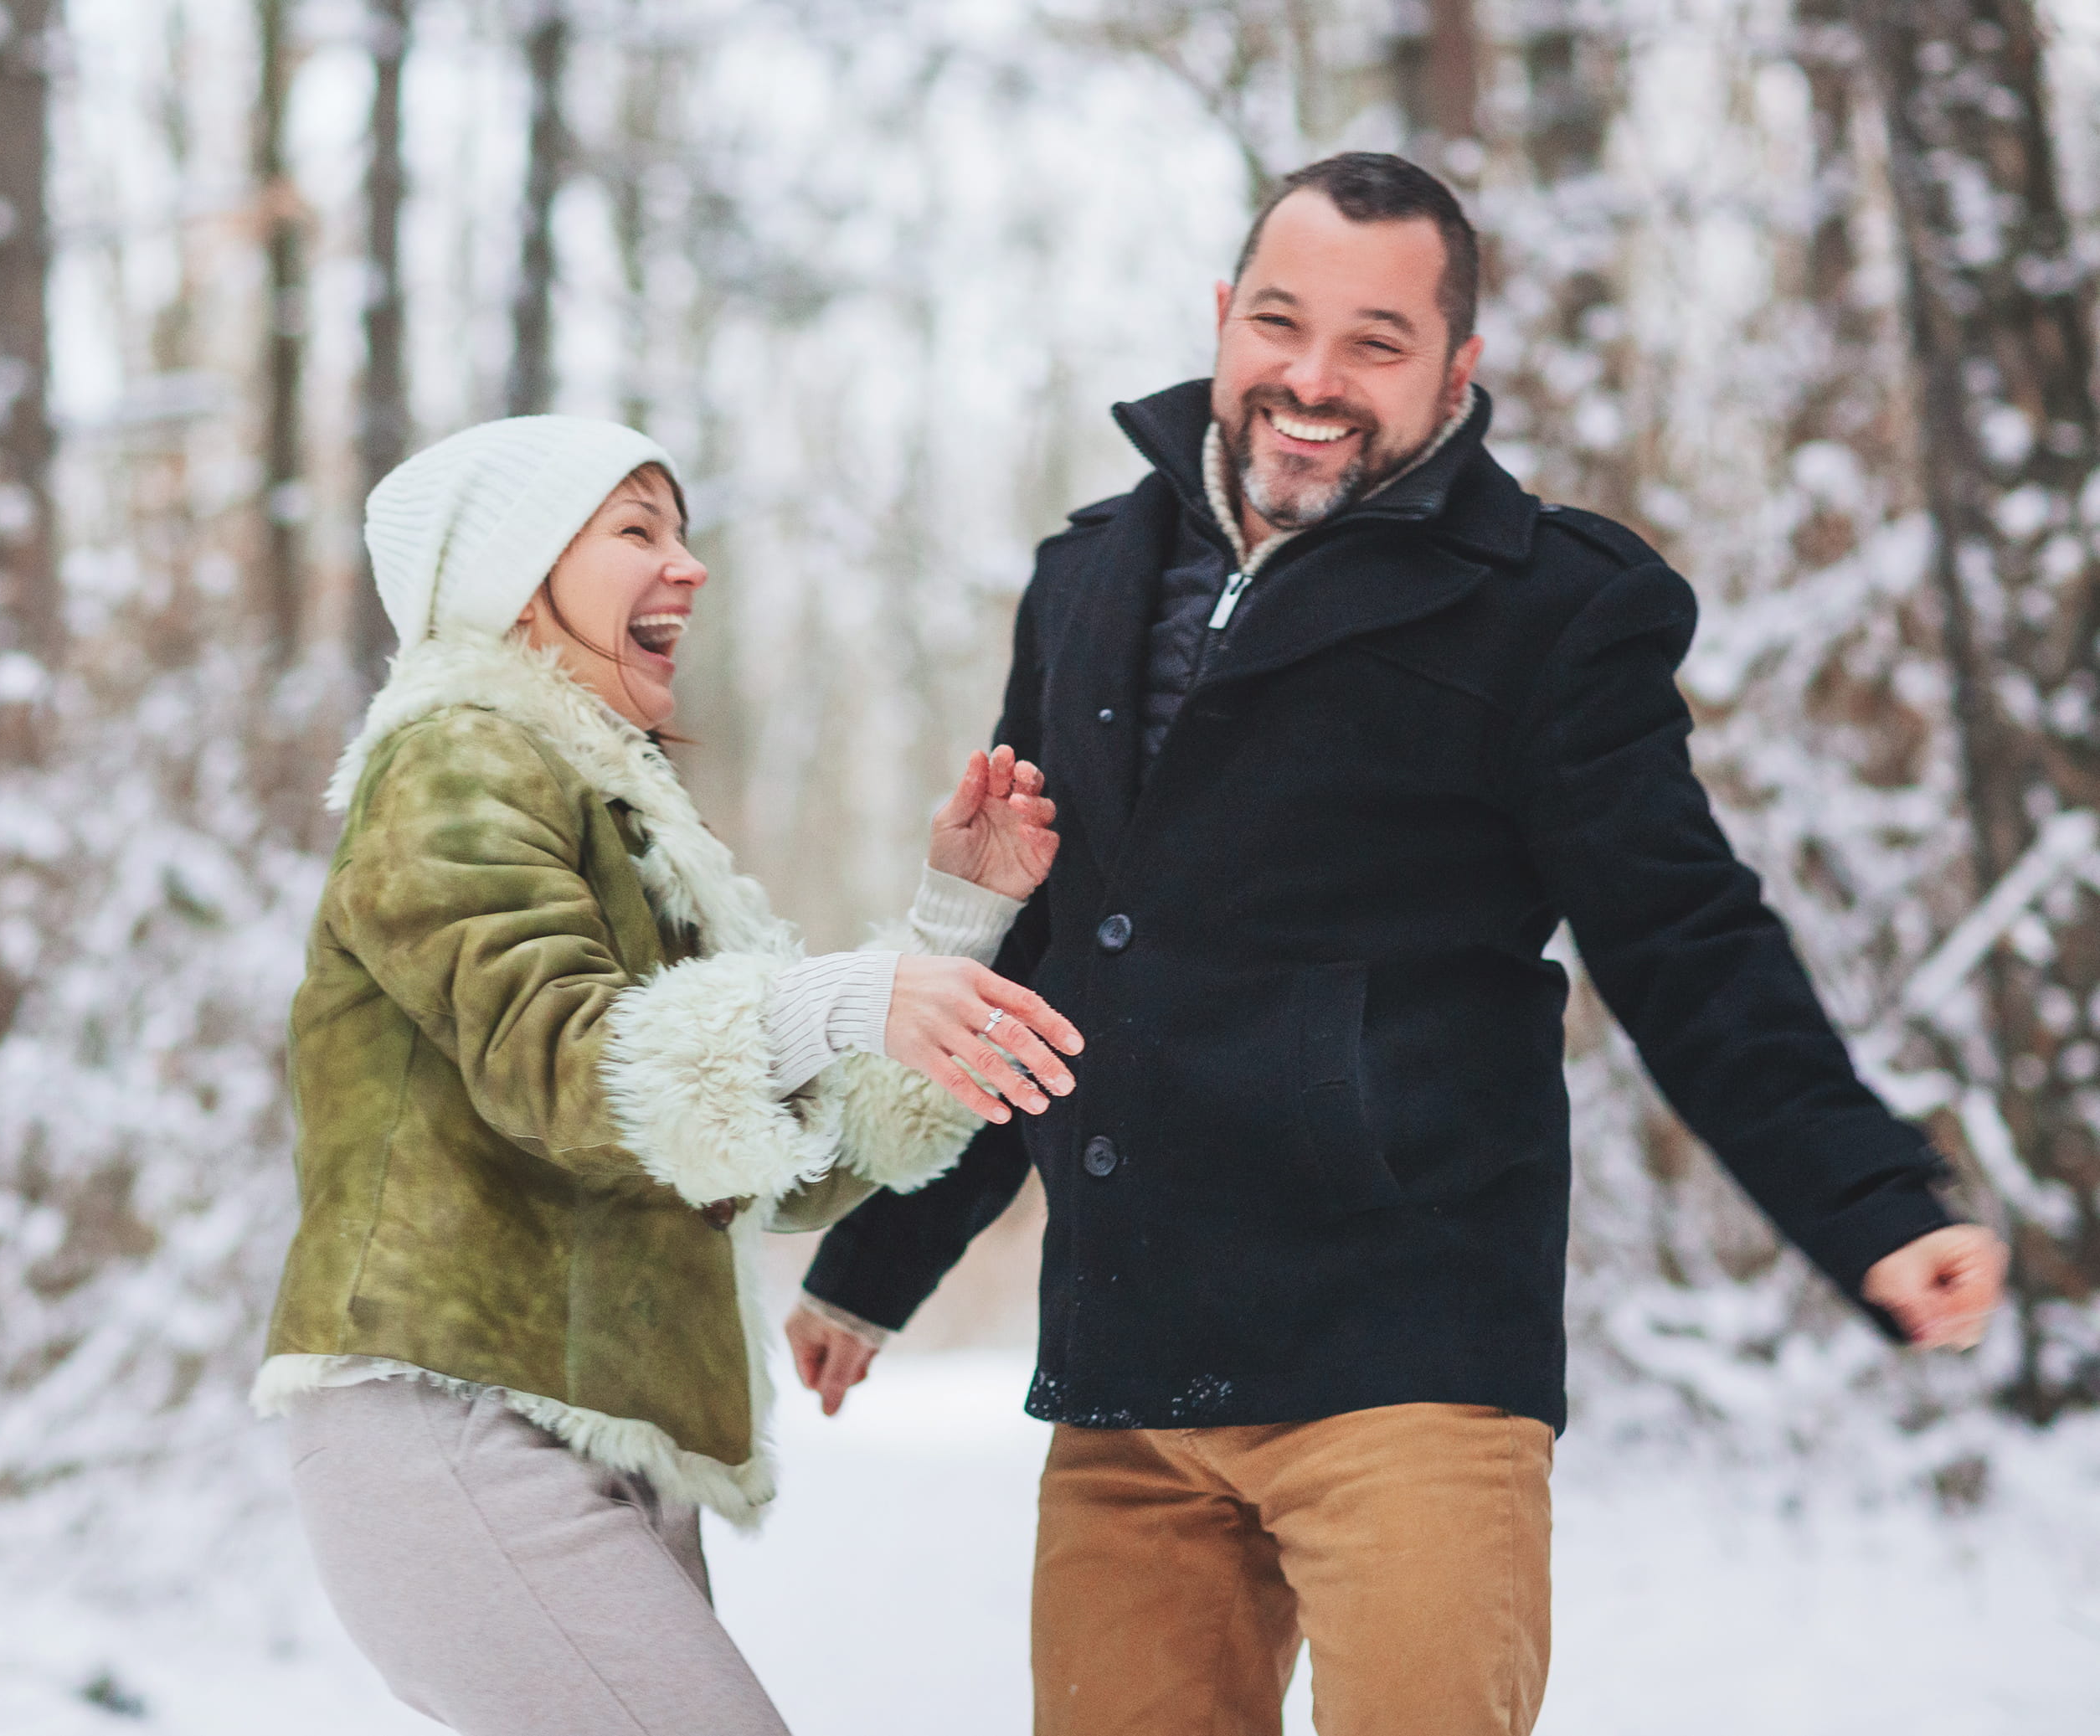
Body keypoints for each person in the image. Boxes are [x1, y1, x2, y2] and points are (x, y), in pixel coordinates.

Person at [785, 152, 2010, 1736]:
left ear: (1456, 371)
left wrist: (1862, 1194)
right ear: (1222, 319)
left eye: (1374, 341)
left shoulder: (1549, 608)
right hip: (1130, 1372)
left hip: (1407, 1363)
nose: (1312, 379)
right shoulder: (1086, 578)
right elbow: (1037, 949)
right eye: (1280, 323)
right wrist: (880, 1259)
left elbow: (1683, 935)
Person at [251, 414, 1083, 1736]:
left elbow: (779, 1159)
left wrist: (950, 925)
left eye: (682, 530)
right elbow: (567, 1062)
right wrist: (846, 993)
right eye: (635, 529)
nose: (687, 566)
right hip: (455, 1412)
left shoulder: (616, 807)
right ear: (515, 575)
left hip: (599, 1426)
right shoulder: (457, 757)